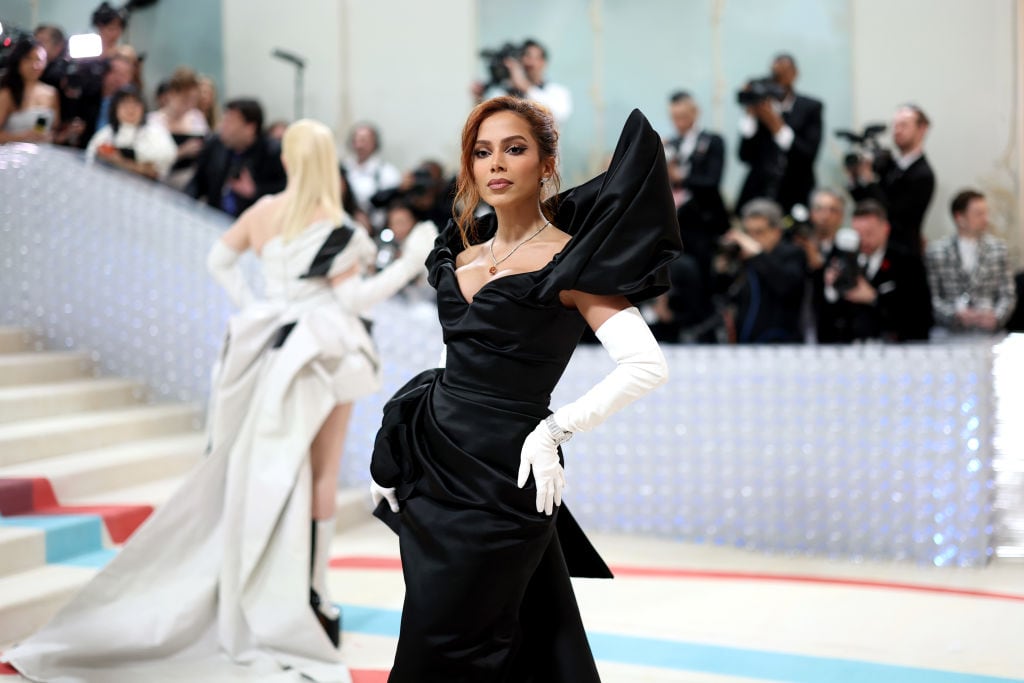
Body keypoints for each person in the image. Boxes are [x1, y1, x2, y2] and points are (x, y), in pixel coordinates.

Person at [2, 119, 438, 682]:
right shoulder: (335, 226)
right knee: (319, 475)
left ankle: (285, 591)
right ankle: (314, 598)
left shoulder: (262, 214)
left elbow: (219, 261)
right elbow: (354, 298)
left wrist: (255, 308)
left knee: (266, 470)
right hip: (325, 353)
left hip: (268, 351)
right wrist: (410, 260)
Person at [367, 96, 679, 681]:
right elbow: (457, 351)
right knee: (511, 631)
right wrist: (405, 444)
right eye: (482, 152)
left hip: (507, 474)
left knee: (447, 643)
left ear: (546, 162)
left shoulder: (572, 263)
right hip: (433, 467)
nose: (496, 164)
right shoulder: (458, 253)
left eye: (515, 149)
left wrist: (556, 428)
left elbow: (645, 365)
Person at [817, 199, 932, 343]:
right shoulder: (843, 260)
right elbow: (828, 316)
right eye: (858, 234)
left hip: (894, 347)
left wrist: (874, 298)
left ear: (885, 229)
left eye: (869, 233)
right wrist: (831, 289)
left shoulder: (907, 263)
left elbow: (920, 315)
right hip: (851, 349)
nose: (863, 240)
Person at [736, 53, 823, 214]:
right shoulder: (761, 107)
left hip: (795, 192)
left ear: (794, 74)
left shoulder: (811, 107)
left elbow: (808, 156)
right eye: (775, 73)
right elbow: (744, 156)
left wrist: (776, 125)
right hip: (760, 192)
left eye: (783, 72)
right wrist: (751, 116)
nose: (779, 78)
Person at [713, 198, 807, 343]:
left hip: (781, 341)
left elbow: (786, 285)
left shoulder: (792, 253)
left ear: (777, 232)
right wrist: (722, 269)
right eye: (748, 233)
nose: (752, 239)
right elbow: (723, 294)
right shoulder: (744, 258)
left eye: (759, 232)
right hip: (743, 340)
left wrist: (757, 254)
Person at [925, 190, 1016, 334]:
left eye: (986, 213)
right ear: (959, 218)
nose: (985, 219)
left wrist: (996, 317)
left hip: (990, 335)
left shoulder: (998, 250)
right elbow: (932, 298)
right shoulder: (937, 252)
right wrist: (954, 314)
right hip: (948, 335)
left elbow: (1008, 295)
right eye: (979, 214)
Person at [848, 104, 935, 254]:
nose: (897, 130)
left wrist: (869, 181)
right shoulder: (890, 165)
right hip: (876, 250)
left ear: (922, 129)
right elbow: (866, 204)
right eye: (895, 125)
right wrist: (856, 178)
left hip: (902, 252)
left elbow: (892, 215)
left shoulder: (923, 175)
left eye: (904, 125)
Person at [186, 98, 287, 217]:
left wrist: (256, 191)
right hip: (216, 220)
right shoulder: (215, 146)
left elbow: (285, 191)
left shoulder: (273, 152)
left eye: (230, 122)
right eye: (224, 120)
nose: (223, 126)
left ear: (250, 128)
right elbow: (197, 183)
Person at [85, 86, 176, 180]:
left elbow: (158, 168)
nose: (130, 109)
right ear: (115, 108)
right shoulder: (106, 134)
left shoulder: (156, 133)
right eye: (125, 104)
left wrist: (121, 161)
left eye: (135, 104)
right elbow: (90, 160)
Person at [474, 39, 573, 124]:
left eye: (530, 57)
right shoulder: (503, 93)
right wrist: (478, 98)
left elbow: (558, 116)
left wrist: (524, 86)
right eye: (522, 57)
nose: (525, 62)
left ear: (543, 62)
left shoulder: (558, 92)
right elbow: (487, 121)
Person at [148, 67, 211, 190]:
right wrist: (180, 152)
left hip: (191, 183)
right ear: (171, 94)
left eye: (193, 100)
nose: (189, 105)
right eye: (185, 100)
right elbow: (149, 160)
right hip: (162, 183)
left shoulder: (197, 118)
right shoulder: (153, 121)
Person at [0, 37, 65, 144]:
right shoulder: (8, 94)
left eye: (39, 60)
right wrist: (21, 137)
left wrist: (65, 134)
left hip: (43, 154)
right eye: (28, 59)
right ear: (18, 61)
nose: (34, 65)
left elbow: (54, 130)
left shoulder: (51, 93)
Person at [341, 122, 401, 231]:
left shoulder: (387, 173)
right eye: (356, 140)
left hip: (378, 230)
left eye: (364, 141)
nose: (359, 145)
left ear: (375, 143)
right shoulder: (344, 169)